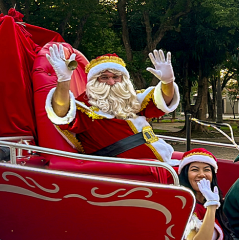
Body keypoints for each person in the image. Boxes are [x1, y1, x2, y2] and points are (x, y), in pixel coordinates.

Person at [44, 43, 181, 165]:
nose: (111, 82)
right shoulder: (85, 106)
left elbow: (163, 101)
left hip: (161, 163)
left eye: (116, 77)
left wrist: (167, 81)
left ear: (123, 79)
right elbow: (61, 114)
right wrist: (64, 80)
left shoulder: (133, 100)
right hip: (130, 172)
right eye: (104, 78)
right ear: (94, 81)